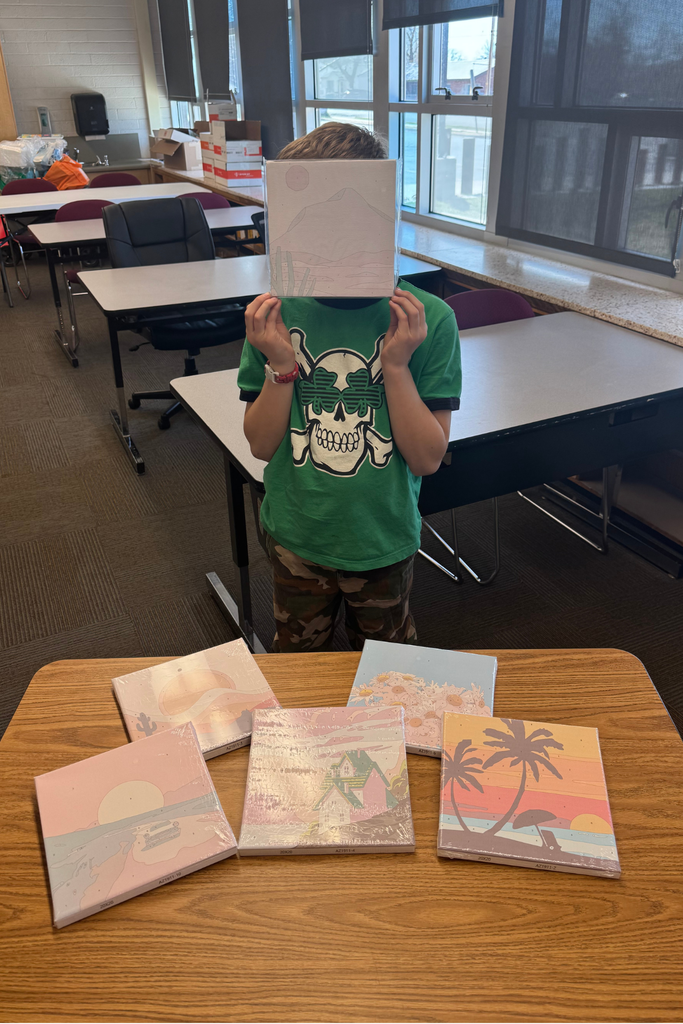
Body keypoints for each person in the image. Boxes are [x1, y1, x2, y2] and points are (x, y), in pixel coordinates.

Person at [237, 122, 461, 652]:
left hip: (382, 539)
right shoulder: (274, 317)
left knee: (385, 674)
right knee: (299, 667)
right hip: (297, 534)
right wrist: (281, 363)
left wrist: (396, 365)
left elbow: (427, 458)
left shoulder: (427, 320)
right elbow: (261, 445)